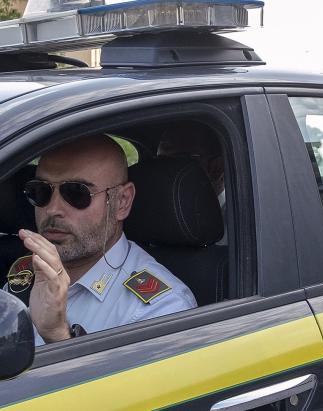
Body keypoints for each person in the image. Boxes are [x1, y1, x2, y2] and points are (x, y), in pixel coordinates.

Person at [4, 135, 197, 345]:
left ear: (122, 202)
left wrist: (59, 336)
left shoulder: (160, 308)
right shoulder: (26, 272)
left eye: (77, 193)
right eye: (40, 191)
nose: (52, 209)